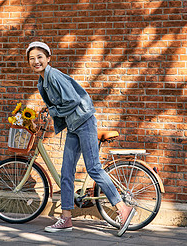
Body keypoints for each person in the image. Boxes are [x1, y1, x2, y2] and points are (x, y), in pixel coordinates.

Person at [26, 41, 135, 237]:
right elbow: (59, 103)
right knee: (66, 172)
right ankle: (66, 218)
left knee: (93, 167)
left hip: (84, 122)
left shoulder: (54, 75)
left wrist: (53, 110)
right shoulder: (42, 81)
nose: (36, 61)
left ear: (48, 58)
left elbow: (73, 100)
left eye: (39, 57)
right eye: (32, 58)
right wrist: (47, 109)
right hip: (73, 125)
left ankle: (122, 207)